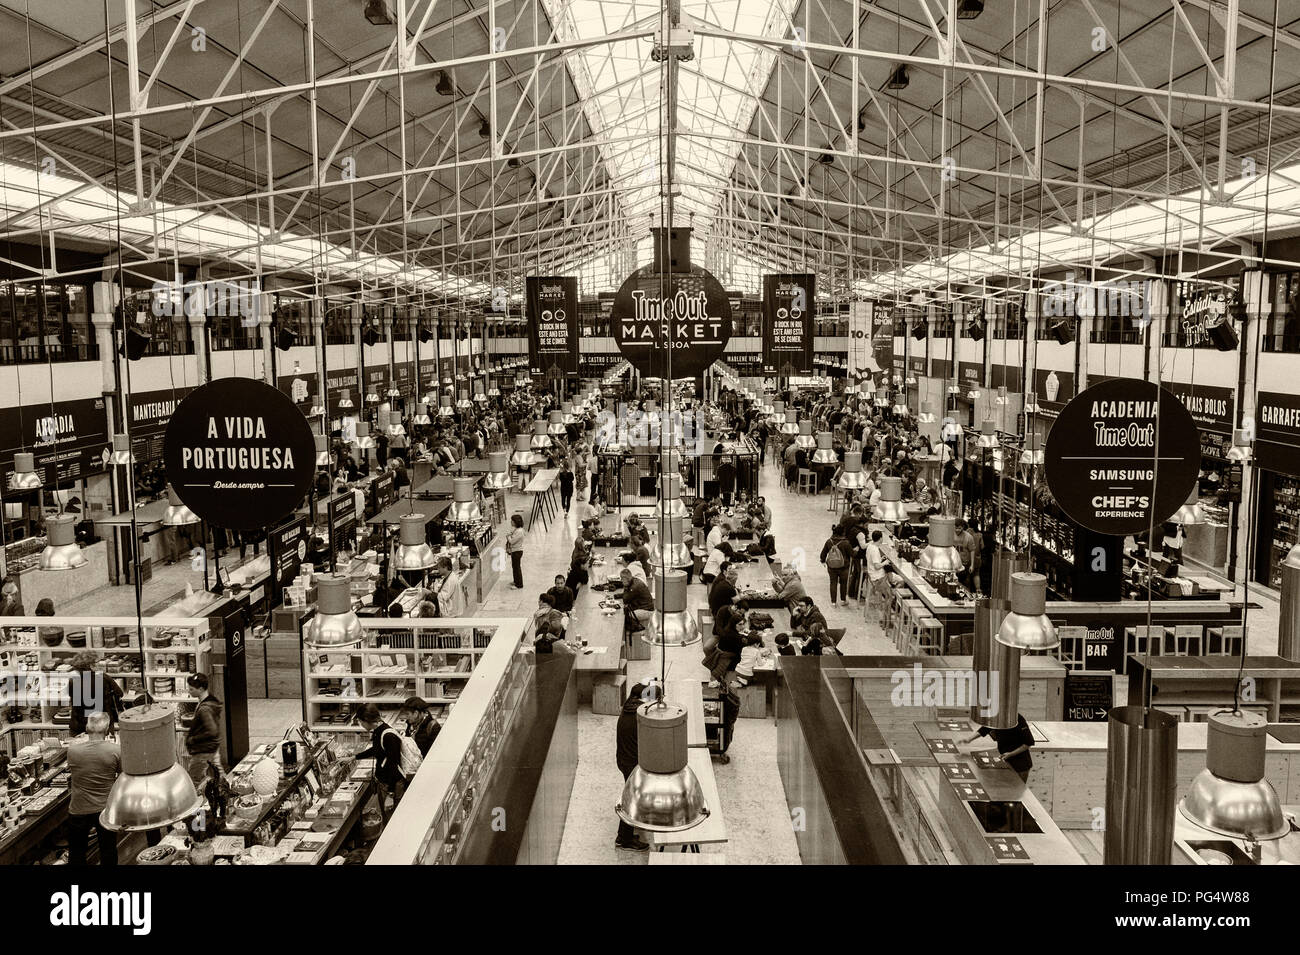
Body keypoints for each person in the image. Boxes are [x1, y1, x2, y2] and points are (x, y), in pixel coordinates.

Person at [66, 712, 120, 866]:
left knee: (76, 852)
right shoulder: (115, 751)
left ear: (87, 728)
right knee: (108, 850)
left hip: (78, 809)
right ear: (107, 730)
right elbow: (122, 777)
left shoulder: (73, 751)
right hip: (105, 809)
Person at [353, 703, 406, 820]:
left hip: (391, 786)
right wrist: (355, 757)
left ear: (367, 720)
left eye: (361, 722)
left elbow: (393, 765)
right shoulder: (378, 731)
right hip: (384, 783)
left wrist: (390, 795)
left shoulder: (387, 736)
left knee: (392, 819)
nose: (361, 725)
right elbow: (377, 749)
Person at [615, 683, 651, 851]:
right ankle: (624, 839)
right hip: (631, 763)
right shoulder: (638, 717)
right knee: (632, 799)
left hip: (624, 759)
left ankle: (632, 828)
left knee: (633, 795)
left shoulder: (628, 708)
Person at [962, 712, 1035, 782]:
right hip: (1006, 760)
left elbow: (1028, 743)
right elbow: (985, 729)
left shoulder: (1018, 718)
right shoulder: (997, 716)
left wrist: (1010, 754)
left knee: (1017, 789)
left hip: (1021, 765)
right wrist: (969, 739)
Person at [68, 651, 123, 738]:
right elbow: (119, 693)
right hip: (101, 723)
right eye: (97, 662)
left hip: (79, 725)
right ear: (91, 666)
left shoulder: (73, 681)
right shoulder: (103, 678)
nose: (99, 664)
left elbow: (73, 700)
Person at [183, 673, 223, 787]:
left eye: (191, 689)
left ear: (200, 689)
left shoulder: (205, 709)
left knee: (194, 779)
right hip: (210, 748)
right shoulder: (209, 701)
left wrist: (193, 739)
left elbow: (212, 731)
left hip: (203, 750)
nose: (189, 691)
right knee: (218, 775)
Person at [820, 524, 853, 607]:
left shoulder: (829, 541)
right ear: (843, 532)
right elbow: (852, 554)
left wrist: (823, 561)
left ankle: (833, 602)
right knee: (843, 583)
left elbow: (823, 554)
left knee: (833, 583)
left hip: (831, 567)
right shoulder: (846, 543)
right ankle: (843, 600)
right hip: (843, 567)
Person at [620, 567, 655, 633]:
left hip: (647, 611)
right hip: (642, 607)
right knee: (625, 611)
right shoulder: (634, 581)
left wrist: (625, 587)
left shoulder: (634, 587)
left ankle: (636, 632)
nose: (621, 580)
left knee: (625, 616)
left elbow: (625, 599)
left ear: (626, 579)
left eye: (622, 579)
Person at [954, 519, 980, 591]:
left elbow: (972, 550)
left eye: (959, 528)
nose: (957, 530)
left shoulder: (968, 537)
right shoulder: (950, 535)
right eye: (956, 528)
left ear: (963, 527)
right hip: (953, 564)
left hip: (965, 564)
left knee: (966, 582)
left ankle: (966, 596)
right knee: (954, 582)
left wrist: (972, 565)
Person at [506, 513, 526, 589]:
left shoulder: (519, 531)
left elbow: (512, 541)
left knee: (517, 568)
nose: (511, 522)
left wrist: (508, 536)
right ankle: (516, 581)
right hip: (515, 551)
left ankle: (519, 584)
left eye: (512, 521)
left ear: (515, 522)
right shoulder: (517, 530)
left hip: (517, 551)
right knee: (514, 567)